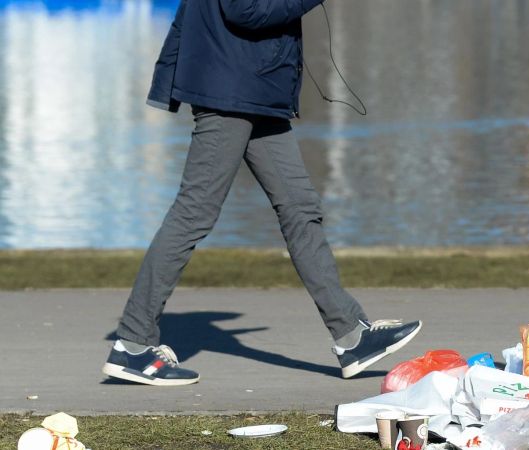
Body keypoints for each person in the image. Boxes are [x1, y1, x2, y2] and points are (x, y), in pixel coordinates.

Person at [101, 0, 421, 386]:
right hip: (230, 93)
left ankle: (352, 336)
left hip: (255, 90)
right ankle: (133, 344)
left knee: (301, 209)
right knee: (193, 212)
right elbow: (246, 11)